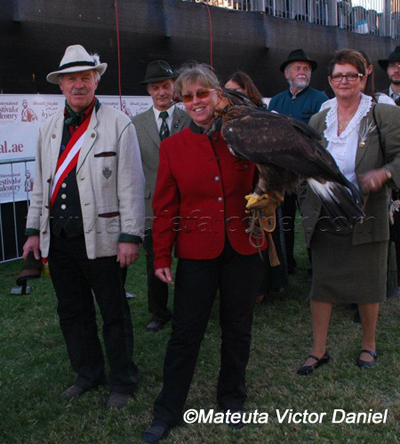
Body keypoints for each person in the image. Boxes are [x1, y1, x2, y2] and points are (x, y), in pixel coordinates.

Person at [142, 63, 268, 443]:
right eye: (188, 96)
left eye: (202, 93)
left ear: (217, 95)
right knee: (185, 333)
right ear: (181, 101)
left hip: (242, 249)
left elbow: (266, 184)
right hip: (196, 252)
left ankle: (231, 400)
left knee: (238, 329)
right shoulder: (172, 147)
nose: (195, 101)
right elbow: (164, 208)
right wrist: (161, 257)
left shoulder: (244, 136)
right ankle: (167, 410)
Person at [22, 44, 145, 409]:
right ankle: (88, 374)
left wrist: (130, 236)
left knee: (113, 313)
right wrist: (32, 231)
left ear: (96, 81)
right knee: (72, 312)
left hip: (104, 240)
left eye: (85, 77)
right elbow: (39, 184)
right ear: (61, 85)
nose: (78, 85)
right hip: (59, 241)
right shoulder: (46, 129)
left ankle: (123, 381)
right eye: (71, 78)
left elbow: (131, 185)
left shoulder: (119, 123)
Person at [297, 49, 400, 375]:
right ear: (329, 81)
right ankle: (318, 350)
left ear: (364, 77)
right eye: (338, 75)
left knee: (369, 285)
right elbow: (304, 167)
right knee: (322, 286)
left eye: (351, 75)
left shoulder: (383, 115)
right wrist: (307, 196)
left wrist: (383, 174)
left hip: (368, 214)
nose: (344, 81)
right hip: (326, 215)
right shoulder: (318, 120)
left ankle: (368, 344)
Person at [132, 60, 191, 333]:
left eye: (166, 86)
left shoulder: (190, 119)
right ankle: (158, 312)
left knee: (191, 260)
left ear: (174, 88)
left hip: (190, 203)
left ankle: (189, 309)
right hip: (152, 206)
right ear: (149, 91)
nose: (161, 93)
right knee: (155, 259)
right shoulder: (135, 124)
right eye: (155, 88)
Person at [224, 71, 287, 300]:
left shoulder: (265, 116)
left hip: (264, 181)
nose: (231, 96)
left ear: (249, 92)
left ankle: (268, 285)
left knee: (266, 232)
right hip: (239, 184)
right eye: (227, 91)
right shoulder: (225, 120)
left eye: (236, 91)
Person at [268, 49, 328, 275]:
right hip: (282, 174)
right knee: (284, 221)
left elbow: (321, 136)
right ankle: (287, 264)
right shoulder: (276, 100)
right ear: (286, 73)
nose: (302, 72)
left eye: (306, 69)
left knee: (313, 220)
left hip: (308, 173)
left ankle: (317, 267)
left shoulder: (320, 99)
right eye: (297, 68)